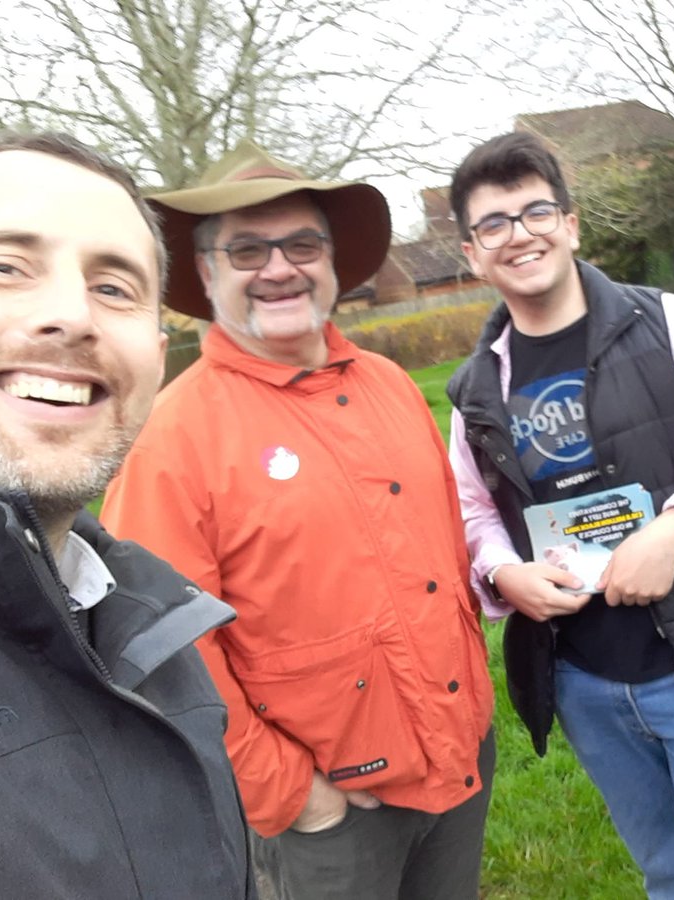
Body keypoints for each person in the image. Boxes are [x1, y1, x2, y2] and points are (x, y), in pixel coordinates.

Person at [100, 140, 494, 900]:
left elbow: (439, 555)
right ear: (208, 273)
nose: (278, 268)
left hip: (459, 761)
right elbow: (161, 651)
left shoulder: (389, 384)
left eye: (302, 244)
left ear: (334, 264)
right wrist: (296, 799)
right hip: (326, 817)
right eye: (246, 250)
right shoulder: (172, 435)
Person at [445, 131, 674, 900]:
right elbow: (473, 512)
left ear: (572, 224)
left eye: (536, 210)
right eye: (494, 223)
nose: (520, 233)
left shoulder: (668, 322)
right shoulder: (474, 388)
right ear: (472, 252)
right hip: (583, 676)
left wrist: (671, 535)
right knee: (670, 877)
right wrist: (505, 572)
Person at [0, 132, 253, 898]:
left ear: (154, 353)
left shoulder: (154, 626)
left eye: (114, 287)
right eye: (4, 267)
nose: (71, 315)